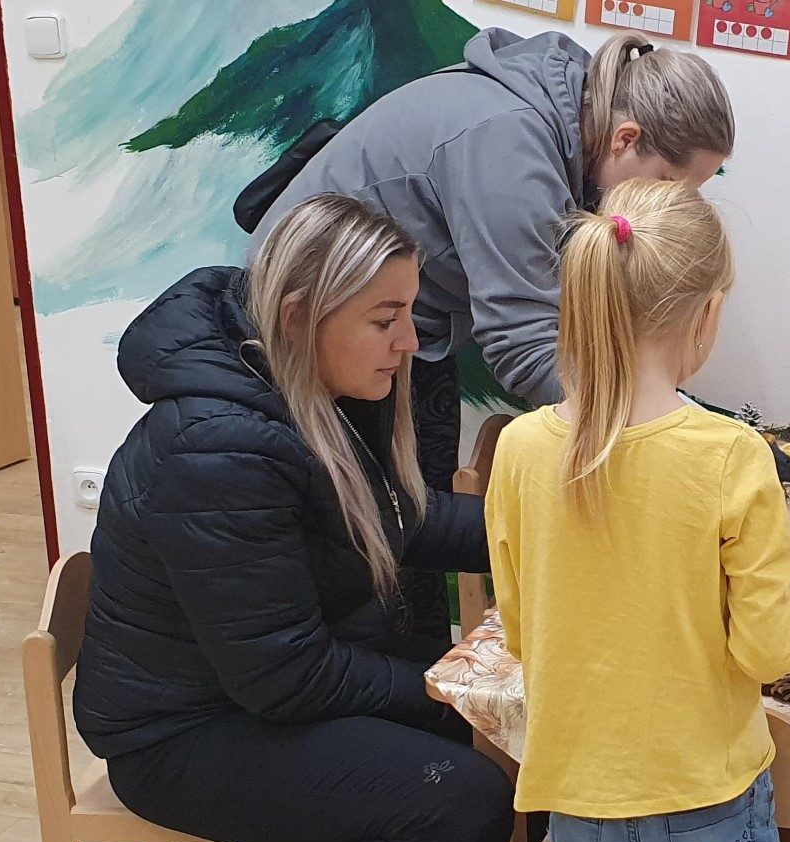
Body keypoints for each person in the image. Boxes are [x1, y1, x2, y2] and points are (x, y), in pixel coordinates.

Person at [74, 196, 519, 842]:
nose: (410, 343)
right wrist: (459, 689)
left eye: (410, 314)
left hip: (253, 690)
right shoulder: (217, 447)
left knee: (531, 751)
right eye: (385, 319)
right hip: (182, 733)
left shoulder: (301, 388)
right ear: (296, 315)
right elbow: (285, 679)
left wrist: (559, 535)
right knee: (457, 799)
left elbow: (402, 519)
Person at [485, 180, 790, 842]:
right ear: (706, 315)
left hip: (582, 804)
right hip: (710, 798)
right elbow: (768, 652)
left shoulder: (520, 450)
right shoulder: (731, 456)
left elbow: (523, 632)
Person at [249, 29, 736, 642]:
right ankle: (414, 685)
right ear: (625, 138)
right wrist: (664, 427)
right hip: (309, 343)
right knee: (368, 558)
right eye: (666, 183)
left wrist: (676, 413)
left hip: (406, 334)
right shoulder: (512, 144)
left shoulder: (569, 117)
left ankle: (422, 673)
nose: (663, 206)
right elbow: (523, 343)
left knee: (414, 533)